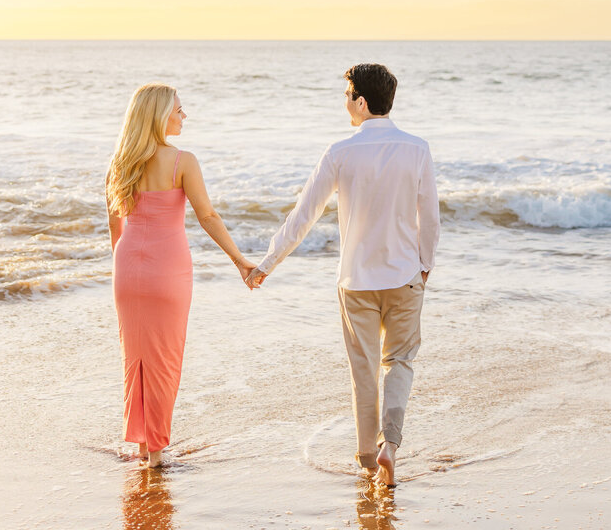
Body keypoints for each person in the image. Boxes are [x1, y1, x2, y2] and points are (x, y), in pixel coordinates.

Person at [246, 63, 440, 487]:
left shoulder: (340, 152)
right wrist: (424, 265)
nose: (344, 104)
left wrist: (266, 264)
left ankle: (368, 460)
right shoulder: (417, 149)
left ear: (362, 102)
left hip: (356, 281)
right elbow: (431, 219)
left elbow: (304, 215)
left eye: (347, 95)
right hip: (406, 275)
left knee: (364, 369)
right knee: (400, 362)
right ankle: (392, 447)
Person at [107, 83, 255, 468]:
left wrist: (126, 267)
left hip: (126, 270)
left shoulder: (119, 162)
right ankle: (156, 451)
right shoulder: (182, 161)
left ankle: (141, 445)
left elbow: (114, 226)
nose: (183, 116)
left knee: (135, 357)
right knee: (164, 358)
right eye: (179, 110)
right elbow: (208, 217)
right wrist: (240, 260)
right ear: (159, 116)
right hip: (167, 271)